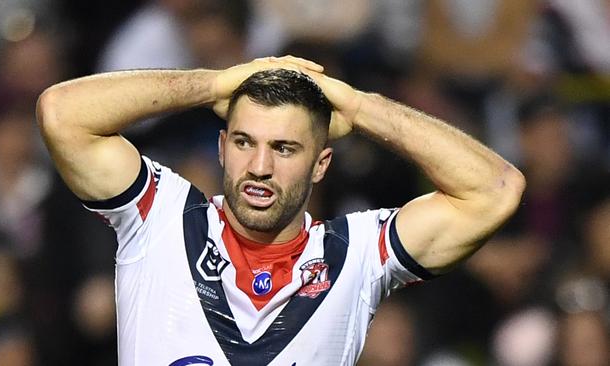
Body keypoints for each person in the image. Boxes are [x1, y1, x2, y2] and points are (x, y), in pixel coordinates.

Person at [36, 56, 525, 366]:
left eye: (286, 148)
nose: (260, 167)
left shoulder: (356, 255)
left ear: (321, 164)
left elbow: (496, 189)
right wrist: (212, 84)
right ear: (222, 147)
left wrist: (358, 107)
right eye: (246, 142)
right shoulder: (160, 217)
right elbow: (62, 114)